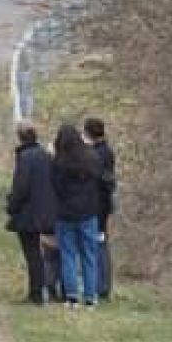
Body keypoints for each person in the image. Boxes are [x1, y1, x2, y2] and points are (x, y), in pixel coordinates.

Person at [51, 124, 102, 308]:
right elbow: (99, 183)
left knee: (68, 254)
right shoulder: (92, 158)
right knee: (90, 254)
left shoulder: (58, 163)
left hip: (65, 214)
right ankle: (90, 296)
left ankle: (72, 296)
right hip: (88, 213)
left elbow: (55, 187)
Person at [6, 121, 57, 305]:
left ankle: (36, 293)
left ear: (20, 136)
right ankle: (46, 289)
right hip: (47, 211)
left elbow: (21, 187)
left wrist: (12, 206)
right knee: (44, 253)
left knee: (32, 254)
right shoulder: (45, 155)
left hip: (29, 212)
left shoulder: (25, 157)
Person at [83, 117, 117, 300]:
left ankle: (101, 286)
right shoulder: (107, 151)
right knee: (100, 242)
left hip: (97, 206)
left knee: (98, 244)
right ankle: (102, 284)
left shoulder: (96, 154)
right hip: (103, 205)